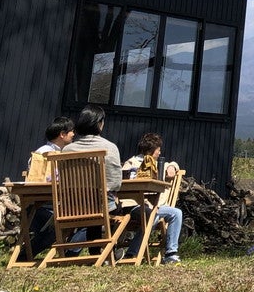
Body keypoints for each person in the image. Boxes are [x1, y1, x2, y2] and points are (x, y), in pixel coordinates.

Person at [123, 132, 183, 265]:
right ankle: (132, 253)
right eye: (158, 150)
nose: (160, 153)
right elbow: (124, 180)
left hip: (157, 206)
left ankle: (171, 253)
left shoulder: (160, 165)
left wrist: (173, 166)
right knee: (151, 215)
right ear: (151, 150)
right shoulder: (132, 163)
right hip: (136, 205)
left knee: (176, 213)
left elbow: (174, 165)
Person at [25, 115, 77, 259]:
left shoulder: (54, 152)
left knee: (68, 219)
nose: (74, 134)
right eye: (71, 131)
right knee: (64, 222)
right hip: (40, 204)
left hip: (48, 202)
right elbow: (47, 180)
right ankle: (25, 255)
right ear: (62, 134)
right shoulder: (44, 153)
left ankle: (27, 253)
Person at [62, 104, 122, 206]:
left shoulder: (67, 150)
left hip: (71, 206)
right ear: (99, 124)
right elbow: (115, 183)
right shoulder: (110, 148)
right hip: (101, 205)